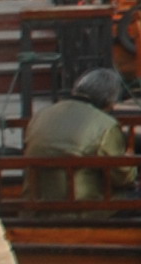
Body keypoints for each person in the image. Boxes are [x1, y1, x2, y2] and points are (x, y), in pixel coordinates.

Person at [27, 69, 135, 201]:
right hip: (83, 208)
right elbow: (123, 178)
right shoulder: (105, 125)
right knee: (138, 195)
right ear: (110, 101)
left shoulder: (41, 115)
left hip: (35, 205)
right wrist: (130, 161)